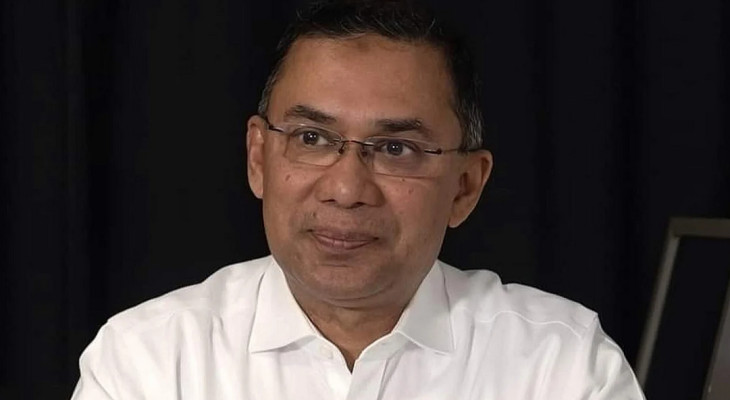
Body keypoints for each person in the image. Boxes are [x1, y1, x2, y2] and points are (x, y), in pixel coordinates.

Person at [71, 0, 645, 399]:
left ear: (465, 186)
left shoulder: (560, 366)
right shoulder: (149, 362)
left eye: (396, 148)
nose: (346, 190)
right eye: (312, 139)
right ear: (258, 158)